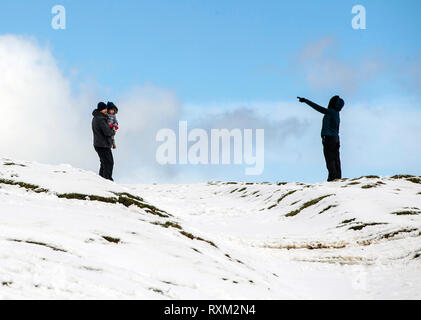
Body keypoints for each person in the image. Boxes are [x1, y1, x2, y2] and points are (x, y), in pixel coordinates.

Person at [297, 95, 345, 182]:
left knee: (330, 159)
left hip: (329, 139)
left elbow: (318, 108)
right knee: (336, 158)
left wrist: (306, 101)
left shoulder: (331, 112)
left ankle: (333, 178)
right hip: (335, 138)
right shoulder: (337, 113)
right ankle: (337, 177)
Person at [92, 102, 115, 181]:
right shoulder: (101, 119)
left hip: (98, 144)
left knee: (104, 163)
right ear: (100, 110)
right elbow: (107, 132)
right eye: (104, 109)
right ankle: (107, 180)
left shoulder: (96, 117)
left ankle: (101, 180)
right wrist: (113, 131)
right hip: (102, 145)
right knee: (109, 162)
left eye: (106, 109)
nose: (106, 110)